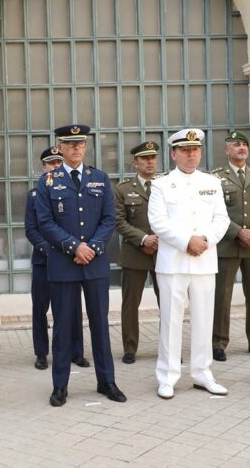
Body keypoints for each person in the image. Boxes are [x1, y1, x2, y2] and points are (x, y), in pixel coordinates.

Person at [35, 124, 126, 407]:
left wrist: (92, 247)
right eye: (70, 144)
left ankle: (106, 381)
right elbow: (45, 222)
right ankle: (60, 385)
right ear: (60, 147)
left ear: (85, 147)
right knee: (63, 326)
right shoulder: (48, 181)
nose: (76, 148)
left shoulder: (99, 178)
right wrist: (75, 246)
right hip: (64, 263)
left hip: (95, 263)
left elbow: (109, 219)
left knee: (100, 324)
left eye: (81, 144)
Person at [148, 128, 230, 400]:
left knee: (204, 320)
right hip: (173, 262)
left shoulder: (212, 182)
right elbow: (158, 222)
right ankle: (167, 376)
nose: (191, 155)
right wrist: (187, 242)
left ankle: (202, 373)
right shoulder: (161, 185)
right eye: (184, 150)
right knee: (171, 321)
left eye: (195, 150)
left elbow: (222, 219)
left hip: (204, 260)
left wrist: (205, 240)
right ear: (174, 154)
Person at [25, 147, 89, 370]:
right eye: (51, 163)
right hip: (44, 260)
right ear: (43, 167)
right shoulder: (35, 195)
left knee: (72, 308)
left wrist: (71, 249)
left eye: (58, 162)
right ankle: (42, 353)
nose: (55, 166)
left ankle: (76, 351)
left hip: (68, 259)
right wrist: (49, 250)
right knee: (40, 308)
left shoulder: (73, 191)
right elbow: (31, 229)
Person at [210, 131, 250, 362]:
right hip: (226, 245)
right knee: (222, 297)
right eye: (236, 144)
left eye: (244, 144)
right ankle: (218, 343)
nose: (242, 148)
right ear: (227, 150)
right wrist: (237, 232)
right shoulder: (215, 178)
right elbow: (212, 211)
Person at [114, 141, 161, 365]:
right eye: (145, 158)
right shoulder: (123, 189)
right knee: (131, 305)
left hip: (163, 253)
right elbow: (118, 221)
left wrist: (159, 239)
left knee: (169, 304)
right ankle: (130, 348)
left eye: (153, 157)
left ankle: (168, 347)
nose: (150, 162)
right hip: (135, 253)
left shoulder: (165, 186)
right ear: (135, 163)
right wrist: (143, 239)